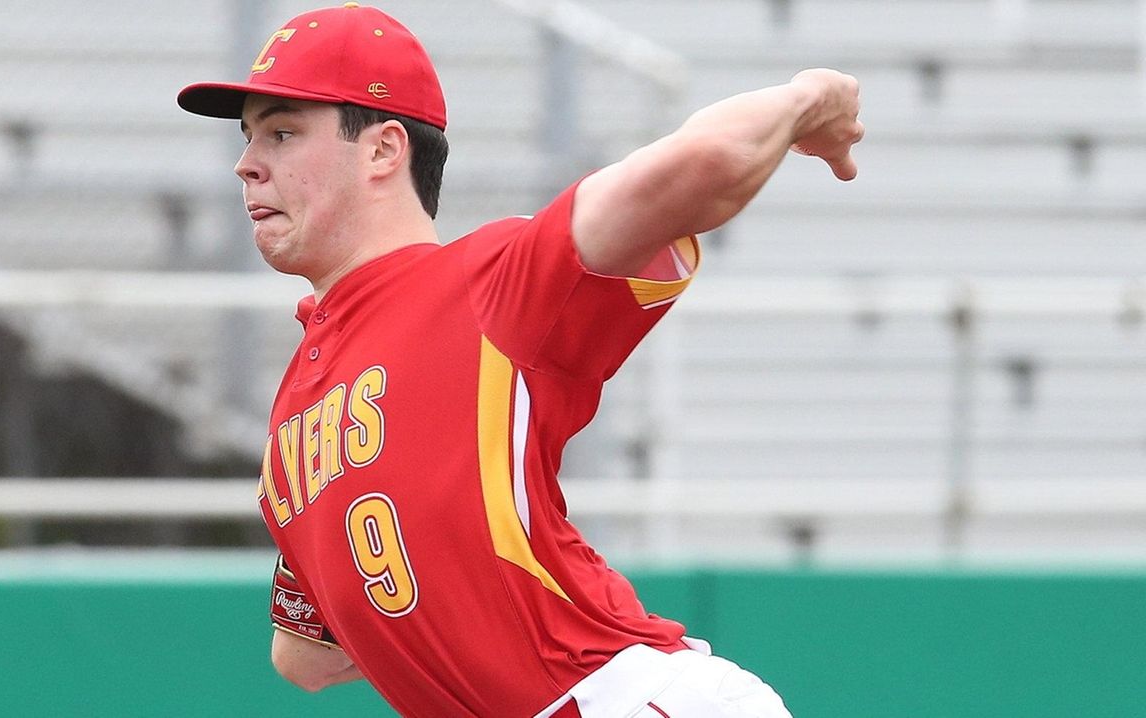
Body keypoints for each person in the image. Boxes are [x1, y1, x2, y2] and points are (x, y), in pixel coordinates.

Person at [177, 3, 862, 716]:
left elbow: (707, 161)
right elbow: (306, 657)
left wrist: (811, 96)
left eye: (283, 132)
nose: (247, 163)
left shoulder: (492, 282)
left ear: (383, 150)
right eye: (250, 136)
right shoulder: (298, 402)